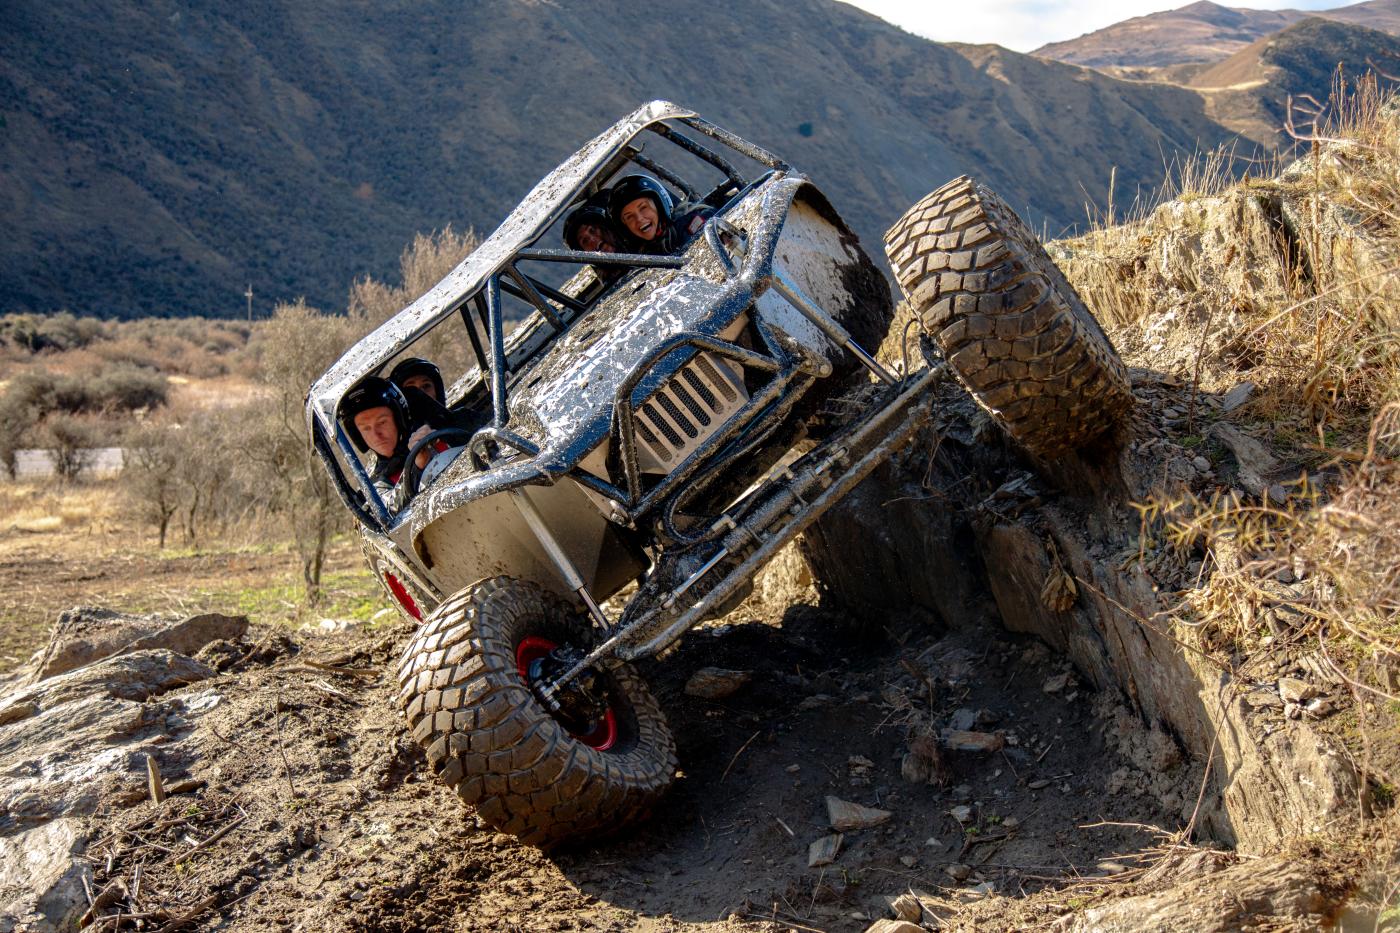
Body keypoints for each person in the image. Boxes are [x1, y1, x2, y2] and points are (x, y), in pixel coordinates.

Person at [338, 376, 454, 510]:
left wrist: (443, 431)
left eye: (382, 422)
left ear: (399, 419)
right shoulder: (376, 487)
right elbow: (391, 509)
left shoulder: (438, 432)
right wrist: (416, 466)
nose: (376, 435)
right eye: (366, 429)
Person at [608, 174, 713, 256]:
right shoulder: (639, 260)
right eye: (629, 217)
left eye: (643, 208)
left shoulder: (690, 226)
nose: (639, 219)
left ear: (659, 206)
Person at [563, 190, 627, 285]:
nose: (592, 240)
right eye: (584, 241)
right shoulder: (611, 291)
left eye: (593, 230)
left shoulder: (650, 246)